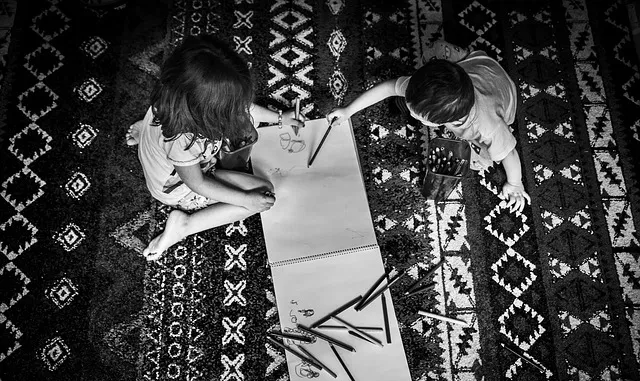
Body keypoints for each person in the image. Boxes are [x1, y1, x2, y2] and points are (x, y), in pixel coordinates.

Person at [126, 35, 304, 261]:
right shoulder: (182, 140)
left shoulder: (175, 94)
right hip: (180, 187)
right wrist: (244, 200)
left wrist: (280, 119)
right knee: (261, 194)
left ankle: (147, 134)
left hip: (169, 149)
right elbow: (198, 183)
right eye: (228, 107)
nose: (238, 109)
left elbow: (242, 108)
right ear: (205, 111)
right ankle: (184, 225)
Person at [327, 40, 531, 213]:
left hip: (504, 97)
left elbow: (509, 154)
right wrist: (348, 111)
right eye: (410, 105)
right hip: (479, 64)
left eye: (417, 114)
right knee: (435, 49)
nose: (412, 112)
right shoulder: (422, 88)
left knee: (483, 159)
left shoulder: (487, 127)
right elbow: (390, 87)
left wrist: (515, 183)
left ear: (441, 122)